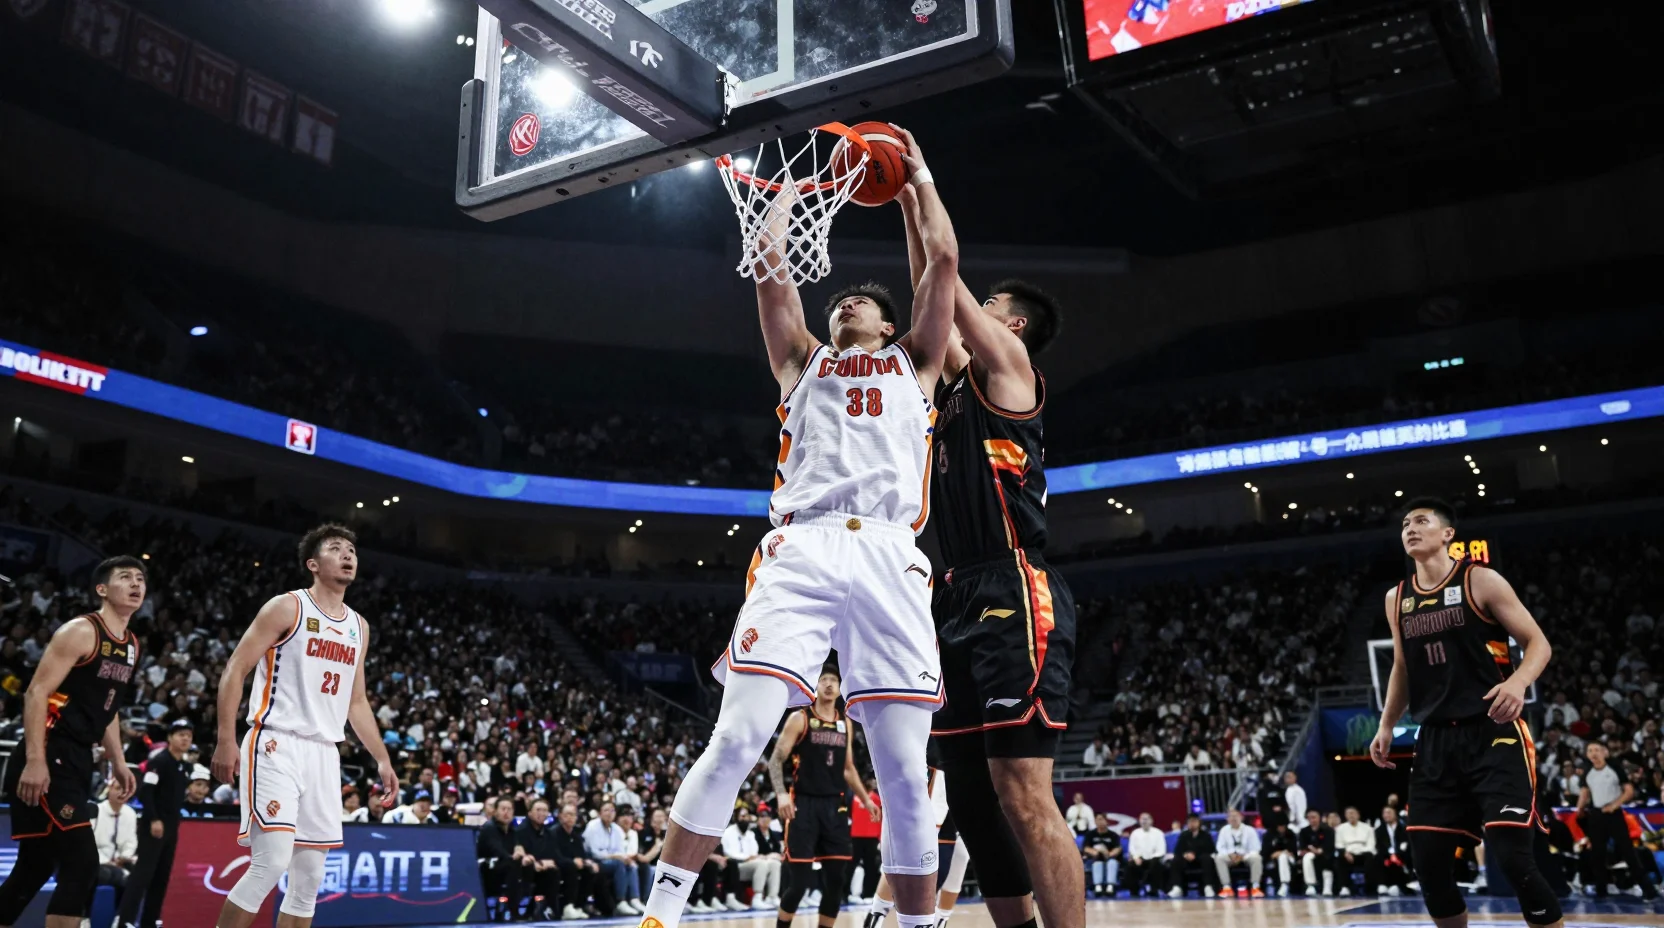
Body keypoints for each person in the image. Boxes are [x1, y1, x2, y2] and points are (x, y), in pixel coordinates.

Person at [637, 127, 958, 928]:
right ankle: (660, 914)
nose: (848, 302)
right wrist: (793, 189)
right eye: (842, 299)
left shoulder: (916, 363)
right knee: (738, 733)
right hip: (803, 546)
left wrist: (917, 181)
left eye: (865, 303)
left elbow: (943, 264)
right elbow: (772, 269)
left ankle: (917, 921)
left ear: (889, 326)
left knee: (902, 767)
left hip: (889, 551)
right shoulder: (801, 361)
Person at [898, 171, 1078, 928]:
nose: (969, 313)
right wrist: (903, 207)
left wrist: (921, 183)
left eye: (989, 309)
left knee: (1023, 793)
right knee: (970, 797)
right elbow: (929, 285)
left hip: (1014, 586)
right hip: (956, 592)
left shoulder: (1010, 371)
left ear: (1014, 329)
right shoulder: (953, 389)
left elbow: (945, 267)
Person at [1371, 498, 1563, 928]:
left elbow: (1539, 643)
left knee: (1513, 858)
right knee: (1430, 865)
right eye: (1405, 524)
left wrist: (1516, 682)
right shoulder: (1396, 599)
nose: (1410, 529)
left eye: (1422, 521)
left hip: (1493, 732)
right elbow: (1402, 667)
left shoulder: (1482, 580)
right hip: (1436, 740)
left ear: (1447, 534)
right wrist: (1386, 724)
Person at [211, 524, 400, 928]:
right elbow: (236, 669)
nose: (348, 554)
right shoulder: (287, 607)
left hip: (323, 753)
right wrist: (225, 739)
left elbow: (356, 701)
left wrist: (382, 759)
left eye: (351, 549)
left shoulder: (358, 627)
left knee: (310, 877)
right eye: (336, 548)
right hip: (276, 742)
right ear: (313, 564)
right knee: (271, 862)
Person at [0, 555, 142, 928]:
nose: (136, 583)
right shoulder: (81, 631)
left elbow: (107, 710)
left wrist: (120, 762)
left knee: (35, 866)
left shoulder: (130, 645)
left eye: (140, 578)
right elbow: (36, 694)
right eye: (125, 577)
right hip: (49, 749)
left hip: (77, 757)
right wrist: (35, 760)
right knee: (82, 863)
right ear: (101, 590)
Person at [770, 668, 879, 928]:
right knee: (799, 883)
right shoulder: (800, 718)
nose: (829, 685)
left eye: (834, 681)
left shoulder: (846, 723)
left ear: (841, 688)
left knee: (836, 880)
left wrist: (866, 800)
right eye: (824, 680)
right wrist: (781, 794)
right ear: (816, 686)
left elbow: (848, 768)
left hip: (835, 807)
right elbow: (776, 759)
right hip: (803, 806)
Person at [117, 717, 194, 928]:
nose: (185, 739)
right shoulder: (159, 762)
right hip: (155, 825)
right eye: (181, 735)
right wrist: (153, 819)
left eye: (188, 736)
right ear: (170, 738)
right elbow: (146, 793)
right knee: (142, 875)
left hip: (172, 826)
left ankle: (149, 922)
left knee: (162, 876)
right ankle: (125, 921)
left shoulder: (184, 766)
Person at [1577, 741, 1656, 898]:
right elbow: (1585, 792)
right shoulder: (1587, 772)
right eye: (1590, 750)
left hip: (1614, 815)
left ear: (1604, 752)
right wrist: (1579, 809)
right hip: (1596, 814)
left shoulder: (1614, 768)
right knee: (1597, 854)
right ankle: (1601, 890)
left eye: (1597, 750)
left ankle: (1649, 891)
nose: (1594, 753)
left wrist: (1614, 805)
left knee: (1628, 852)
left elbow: (1629, 791)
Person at [586, 800, 643, 915]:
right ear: (600, 813)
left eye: (612, 810)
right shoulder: (593, 826)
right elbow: (594, 853)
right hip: (595, 861)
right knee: (619, 864)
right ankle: (620, 901)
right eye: (606, 810)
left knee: (631, 865)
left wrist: (625, 858)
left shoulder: (616, 829)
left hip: (612, 861)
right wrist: (616, 857)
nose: (609, 813)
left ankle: (634, 899)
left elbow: (620, 851)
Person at [480, 797, 530, 923]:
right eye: (503, 809)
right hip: (488, 870)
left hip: (506, 866)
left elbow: (518, 847)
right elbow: (497, 850)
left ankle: (530, 908)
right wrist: (515, 856)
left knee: (527, 864)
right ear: (495, 812)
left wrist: (523, 855)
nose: (506, 812)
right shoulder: (489, 828)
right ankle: (512, 911)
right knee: (513, 864)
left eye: (509, 809)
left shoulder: (512, 830)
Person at [722, 808, 780, 911]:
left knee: (774, 863)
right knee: (761, 864)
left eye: (747, 816)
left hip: (751, 865)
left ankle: (772, 897)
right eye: (742, 816)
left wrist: (753, 857)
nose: (745, 819)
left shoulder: (750, 834)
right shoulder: (728, 832)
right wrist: (747, 858)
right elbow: (728, 852)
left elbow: (754, 852)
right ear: (736, 818)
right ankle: (757, 897)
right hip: (736, 866)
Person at [520, 798, 565, 921]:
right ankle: (531, 910)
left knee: (555, 871)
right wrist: (538, 862)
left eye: (545, 810)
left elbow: (555, 854)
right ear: (529, 813)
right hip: (525, 869)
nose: (542, 813)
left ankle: (552, 910)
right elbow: (522, 854)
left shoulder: (549, 833)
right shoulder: (521, 830)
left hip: (544, 870)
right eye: (538, 810)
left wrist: (551, 862)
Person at [554, 803, 602, 918]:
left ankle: (579, 906)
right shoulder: (554, 833)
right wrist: (572, 861)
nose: (570, 817)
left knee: (590, 869)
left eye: (573, 815)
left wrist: (588, 862)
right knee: (571, 868)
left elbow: (582, 855)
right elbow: (555, 855)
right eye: (567, 814)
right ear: (560, 816)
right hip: (559, 865)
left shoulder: (576, 835)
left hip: (574, 865)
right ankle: (567, 906)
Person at [1214, 808, 1264, 897]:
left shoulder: (1250, 830)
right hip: (1230, 856)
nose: (1233, 818)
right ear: (1227, 819)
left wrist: (1243, 855)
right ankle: (1226, 887)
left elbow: (1256, 848)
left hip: (1246, 855)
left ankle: (1255, 887)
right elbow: (1220, 847)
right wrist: (1230, 854)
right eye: (1231, 816)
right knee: (1219, 858)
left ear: (1241, 817)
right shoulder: (1224, 830)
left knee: (1257, 857)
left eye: (1236, 816)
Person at [95, 791, 138, 892]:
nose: (121, 793)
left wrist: (124, 857)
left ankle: (125, 907)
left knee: (140, 873)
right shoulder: (96, 810)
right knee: (109, 874)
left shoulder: (130, 813)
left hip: (119, 861)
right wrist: (106, 861)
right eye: (117, 788)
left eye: (125, 790)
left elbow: (130, 842)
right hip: (98, 860)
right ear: (110, 790)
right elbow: (88, 844)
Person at [1169, 814, 1220, 898]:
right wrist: (1185, 854)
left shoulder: (1206, 835)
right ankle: (1177, 887)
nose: (1192, 824)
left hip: (1201, 860)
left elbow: (1210, 849)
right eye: (1190, 822)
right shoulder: (1183, 835)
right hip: (1186, 861)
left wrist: (1195, 855)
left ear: (1199, 823)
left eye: (1194, 821)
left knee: (1207, 859)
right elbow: (1178, 850)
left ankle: (1208, 887)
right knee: (1176, 860)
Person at [850, 777, 883, 901]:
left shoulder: (876, 799)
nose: (873, 783)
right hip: (855, 836)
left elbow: (881, 819)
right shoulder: (853, 798)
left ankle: (868, 894)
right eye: (870, 781)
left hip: (872, 837)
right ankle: (845, 893)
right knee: (850, 866)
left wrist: (880, 837)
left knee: (871, 867)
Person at [1332, 806, 1376, 897]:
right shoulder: (1340, 828)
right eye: (1348, 813)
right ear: (1345, 815)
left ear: (1358, 815)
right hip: (1348, 853)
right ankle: (1345, 887)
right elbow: (1339, 844)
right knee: (1340, 859)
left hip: (1363, 852)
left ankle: (1370, 888)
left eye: (1353, 813)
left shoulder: (1367, 828)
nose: (1351, 815)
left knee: (1371, 858)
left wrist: (1361, 852)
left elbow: (1371, 844)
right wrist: (1345, 853)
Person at [1125, 813, 1168, 897]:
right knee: (1130, 866)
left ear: (1151, 821)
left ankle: (1153, 889)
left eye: (1146, 819)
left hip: (1154, 858)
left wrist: (1153, 858)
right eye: (1142, 819)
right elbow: (1132, 848)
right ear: (1139, 821)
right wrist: (1136, 857)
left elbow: (1161, 850)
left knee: (1156, 865)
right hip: (1139, 859)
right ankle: (1134, 891)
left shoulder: (1158, 833)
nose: (1144, 821)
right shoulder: (1135, 833)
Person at [1375, 805, 1413, 896]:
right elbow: (1380, 846)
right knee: (1378, 859)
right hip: (1386, 856)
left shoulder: (1404, 829)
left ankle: (1399, 885)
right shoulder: (1379, 830)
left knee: (1404, 858)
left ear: (1395, 814)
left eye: (1389, 813)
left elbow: (1406, 845)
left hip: (1402, 855)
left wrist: (1397, 855)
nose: (1386, 815)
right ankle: (1383, 885)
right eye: (1384, 813)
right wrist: (1390, 855)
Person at [1081, 813, 1122, 897]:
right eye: (1098, 819)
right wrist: (1095, 851)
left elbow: (1118, 848)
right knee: (1097, 863)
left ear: (1106, 821)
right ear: (1095, 822)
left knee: (1112, 863)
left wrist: (1109, 854)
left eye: (1102, 819)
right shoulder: (1090, 834)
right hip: (1095, 859)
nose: (1100, 821)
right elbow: (1085, 848)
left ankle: (1110, 887)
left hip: (1110, 858)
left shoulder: (1113, 835)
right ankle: (1098, 887)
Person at [1299, 810, 1335, 897]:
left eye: (1314, 817)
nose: (1312, 820)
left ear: (1320, 818)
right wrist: (1309, 850)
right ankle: (1311, 885)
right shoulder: (1304, 831)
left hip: (1326, 854)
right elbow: (1302, 846)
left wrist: (1320, 850)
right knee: (1307, 857)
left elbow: (1330, 845)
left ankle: (1327, 887)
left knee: (1327, 860)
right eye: (1309, 818)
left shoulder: (1328, 830)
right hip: (1310, 854)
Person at [1264, 821, 1299, 897]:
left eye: (1283, 825)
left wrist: (1284, 852)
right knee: (1281, 857)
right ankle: (1283, 884)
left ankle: (1285, 884)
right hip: (1273, 860)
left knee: (1283, 857)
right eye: (1279, 825)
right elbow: (1265, 852)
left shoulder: (1291, 834)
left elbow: (1294, 852)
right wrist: (1275, 854)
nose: (1281, 827)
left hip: (1290, 859)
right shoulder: (1269, 835)